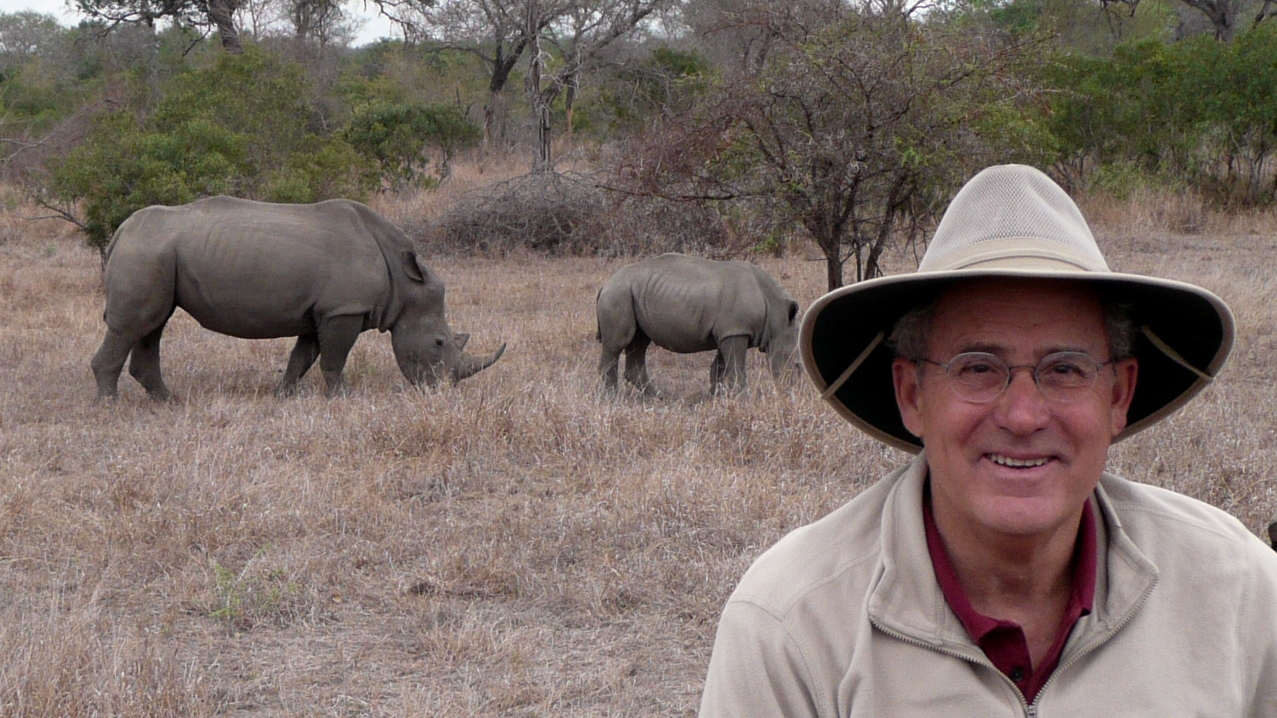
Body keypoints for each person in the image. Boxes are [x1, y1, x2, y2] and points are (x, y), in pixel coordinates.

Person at [698, 164, 1277, 716]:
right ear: (912, 394)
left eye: (1065, 369)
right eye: (977, 368)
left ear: (1119, 395)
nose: (1023, 416)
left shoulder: (1241, 591)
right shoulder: (790, 626)